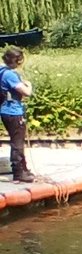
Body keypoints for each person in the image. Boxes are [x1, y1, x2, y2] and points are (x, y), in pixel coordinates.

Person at [0, 47, 35, 181]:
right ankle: (19, 173)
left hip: (5, 111)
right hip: (13, 112)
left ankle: (23, 168)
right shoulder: (10, 75)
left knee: (17, 141)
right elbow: (27, 92)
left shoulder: (2, 71)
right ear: (16, 60)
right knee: (17, 143)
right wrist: (28, 85)